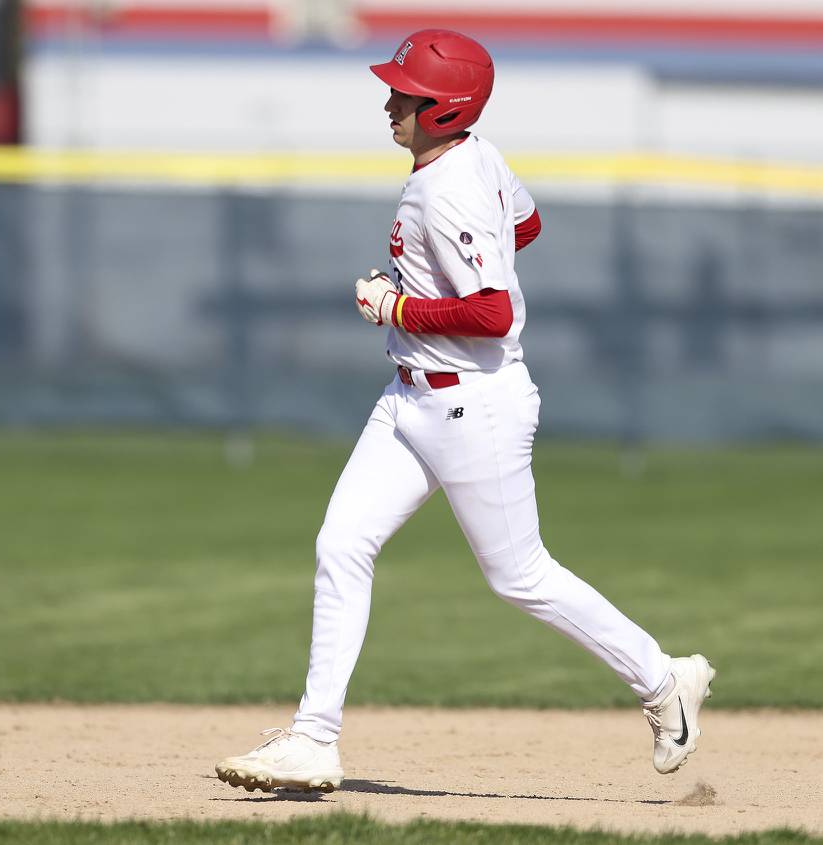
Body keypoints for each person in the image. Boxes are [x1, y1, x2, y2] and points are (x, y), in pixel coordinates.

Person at [215, 29, 715, 794]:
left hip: (471, 407)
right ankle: (314, 739)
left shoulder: (445, 186)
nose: (390, 102)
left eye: (406, 93)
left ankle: (663, 679)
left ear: (444, 109)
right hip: (409, 400)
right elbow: (527, 226)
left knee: (521, 575)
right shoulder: (477, 155)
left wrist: (398, 302)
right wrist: (435, 280)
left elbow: (493, 313)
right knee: (342, 543)